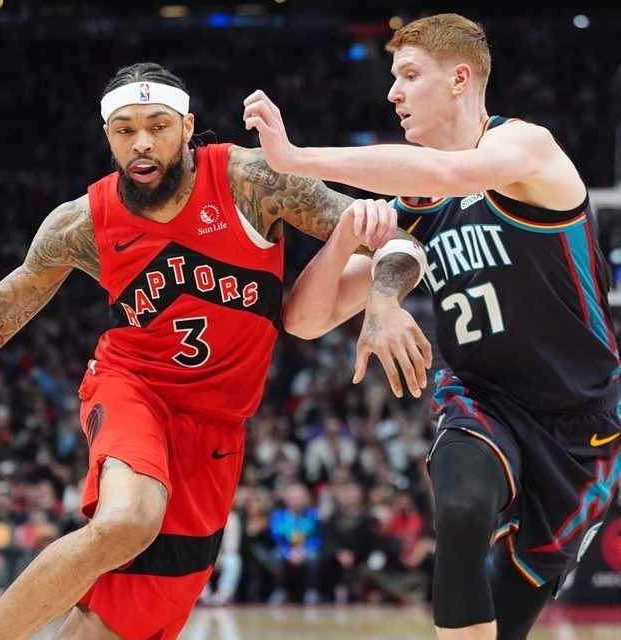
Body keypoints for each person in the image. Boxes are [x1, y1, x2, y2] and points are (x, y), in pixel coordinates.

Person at [0, 62, 427, 640]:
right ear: (108, 136)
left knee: (114, 627)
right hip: (132, 387)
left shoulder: (252, 180)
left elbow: (390, 236)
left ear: (187, 126)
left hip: (219, 428)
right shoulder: (81, 223)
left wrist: (385, 302)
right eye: (125, 129)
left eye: (158, 125)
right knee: (128, 520)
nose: (142, 142)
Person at [243, 13, 620, 640]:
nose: (392, 92)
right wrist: (343, 238)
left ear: (460, 79)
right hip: (483, 400)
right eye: (393, 77)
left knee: (508, 621)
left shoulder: (528, 148)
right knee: (463, 507)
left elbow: (448, 174)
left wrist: (293, 159)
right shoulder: (416, 204)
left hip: (580, 420)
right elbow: (305, 321)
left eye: (409, 75)